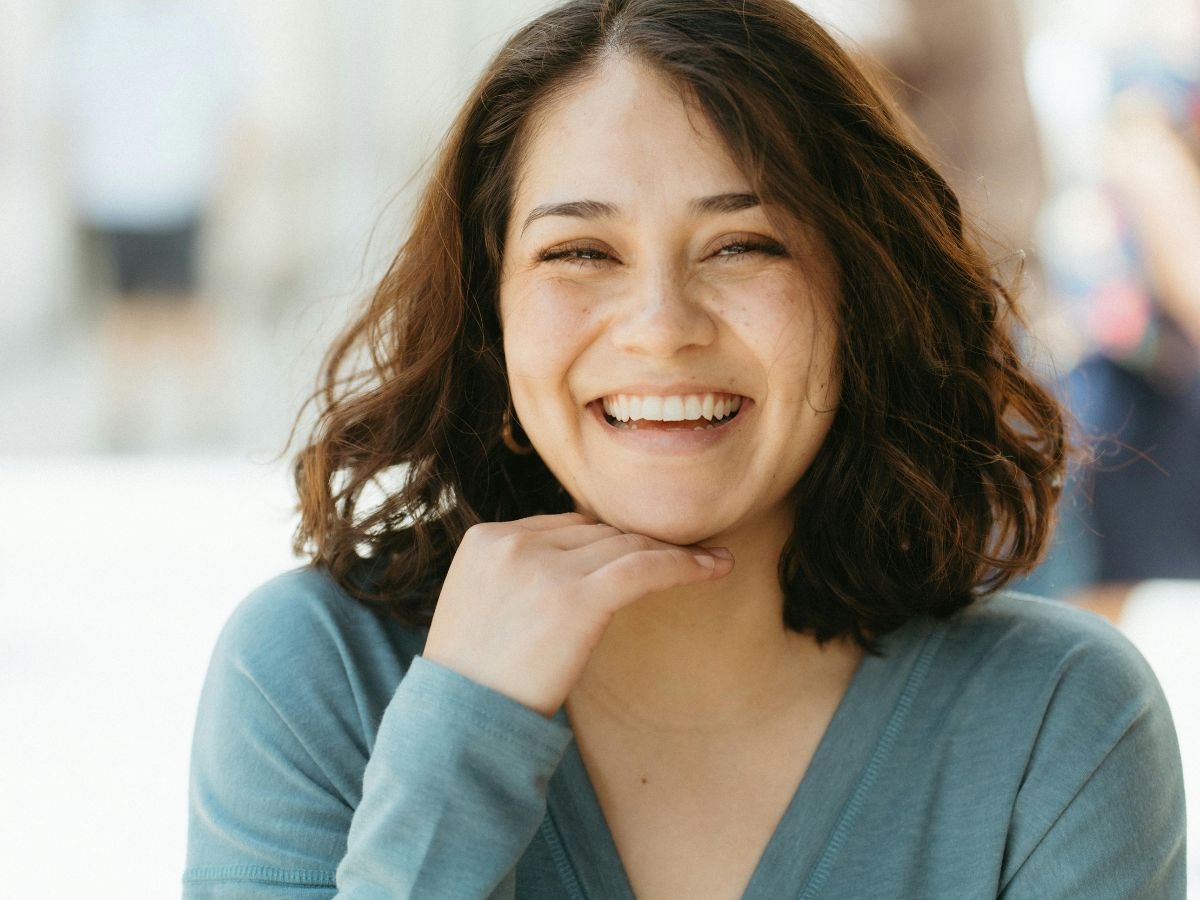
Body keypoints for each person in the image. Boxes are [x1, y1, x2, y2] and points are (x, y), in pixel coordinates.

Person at [183, 1, 1186, 897]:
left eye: (744, 246)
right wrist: (460, 738)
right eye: (580, 252)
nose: (661, 327)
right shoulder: (315, 673)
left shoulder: (1062, 720)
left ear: (861, 301)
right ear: (492, 316)